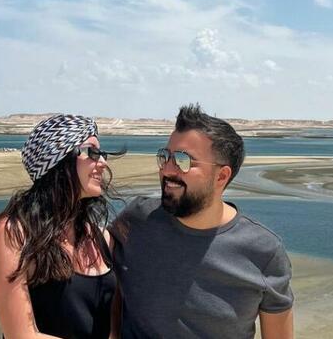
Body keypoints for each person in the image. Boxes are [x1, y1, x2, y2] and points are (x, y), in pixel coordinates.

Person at [110, 104, 294, 339]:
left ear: (221, 176)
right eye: (165, 157)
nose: (167, 170)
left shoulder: (264, 251)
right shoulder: (136, 219)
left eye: (182, 160)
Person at [0, 114, 120, 339]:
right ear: (58, 159)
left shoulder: (102, 238)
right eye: (91, 152)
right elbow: (21, 335)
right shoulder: (14, 233)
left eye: (101, 154)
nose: (102, 162)